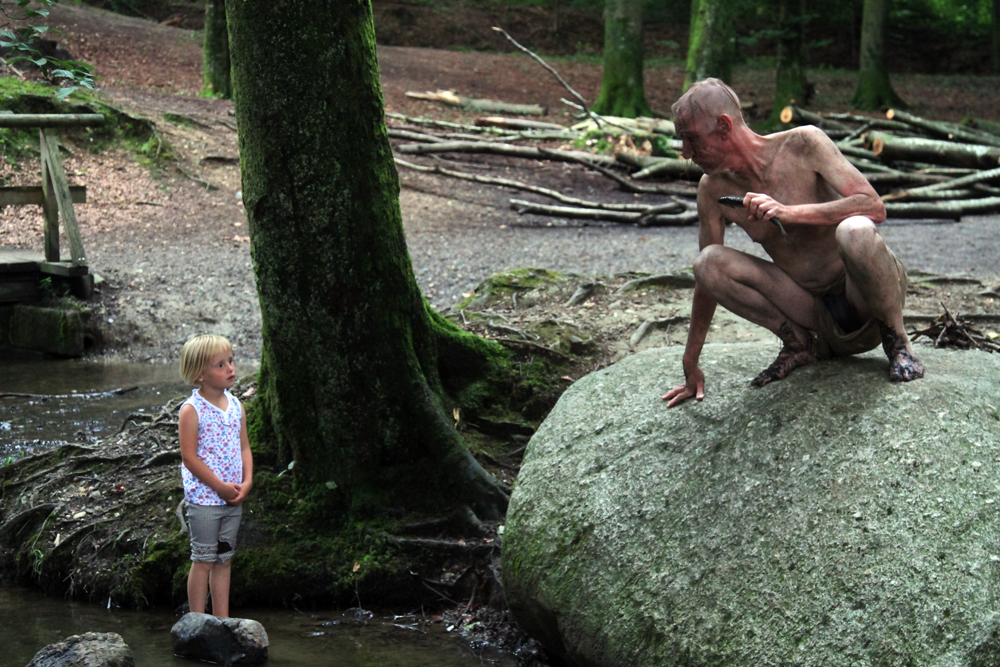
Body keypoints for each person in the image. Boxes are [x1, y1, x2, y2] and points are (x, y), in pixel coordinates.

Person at [662, 78, 924, 408]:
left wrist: (790, 213)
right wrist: (690, 358)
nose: (685, 153)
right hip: (813, 313)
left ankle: (898, 342)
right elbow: (707, 283)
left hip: (867, 299)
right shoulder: (712, 189)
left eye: (692, 139)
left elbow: (873, 206)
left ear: (724, 126)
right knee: (707, 263)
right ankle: (798, 343)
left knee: (854, 231)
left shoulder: (803, 143)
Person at [178, 334, 253, 617]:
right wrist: (219, 487)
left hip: (232, 498)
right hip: (205, 500)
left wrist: (246, 482)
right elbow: (189, 457)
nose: (231, 368)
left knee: (224, 559)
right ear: (200, 375)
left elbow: (244, 446)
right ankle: (197, 620)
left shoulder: (236, 406)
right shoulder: (191, 410)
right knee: (204, 559)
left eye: (231, 361)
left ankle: (222, 620)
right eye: (220, 365)